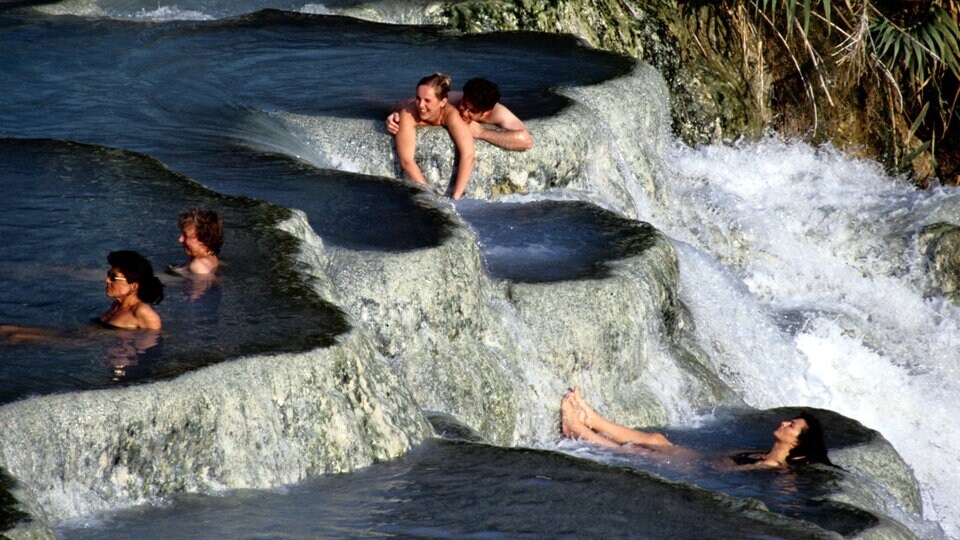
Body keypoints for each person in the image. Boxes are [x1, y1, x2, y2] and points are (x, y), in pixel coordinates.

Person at [561, 387, 833, 469]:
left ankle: (580, 432)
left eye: (792, 426)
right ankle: (593, 419)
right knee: (656, 438)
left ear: (796, 443)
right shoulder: (762, 453)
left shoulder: (770, 466)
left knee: (641, 452)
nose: (785, 423)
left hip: (695, 468)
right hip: (699, 460)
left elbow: (732, 472)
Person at [387, 77, 533, 151]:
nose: (464, 112)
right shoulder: (454, 98)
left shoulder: (498, 113)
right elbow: (408, 103)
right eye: (463, 105)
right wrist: (395, 115)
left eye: (472, 112)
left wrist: (483, 133)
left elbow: (526, 140)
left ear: (486, 112)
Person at [393, 72, 476, 200]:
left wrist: (456, 196)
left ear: (443, 102)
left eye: (427, 100)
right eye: (418, 98)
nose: (420, 105)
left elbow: (469, 155)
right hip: (397, 106)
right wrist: (429, 195)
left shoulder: (451, 115)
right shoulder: (408, 113)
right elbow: (406, 161)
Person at [99, 250, 164, 330]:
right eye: (108, 275)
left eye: (113, 277)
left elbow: (155, 339)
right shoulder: (116, 306)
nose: (107, 280)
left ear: (133, 286)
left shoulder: (142, 312)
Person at [170, 208, 223, 276]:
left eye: (185, 236)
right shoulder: (211, 256)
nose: (180, 239)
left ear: (203, 239)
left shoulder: (198, 267)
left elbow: (200, 285)